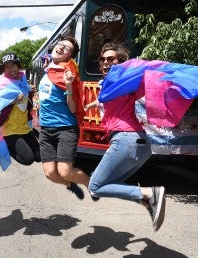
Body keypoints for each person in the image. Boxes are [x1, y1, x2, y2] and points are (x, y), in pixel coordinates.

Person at [87, 43, 166, 231]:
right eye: (103, 59)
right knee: (107, 183)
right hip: (138, 143)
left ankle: (149, 195)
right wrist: (92, 104)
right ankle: (148, 201)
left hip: (127, 139)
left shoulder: (124, 79)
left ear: (122, 62)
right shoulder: (112, 84)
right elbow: (106, 98)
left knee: (96, 187)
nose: (106, 62)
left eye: (111, 59)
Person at [37, 36, 90, 200]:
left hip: (65, 127)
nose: (60, 48)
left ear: (70, 56)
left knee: (64, 171)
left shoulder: (68, 74)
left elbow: (74, 108)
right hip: (45, 129)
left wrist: (68, 86)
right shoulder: (48, 70)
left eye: (66, 48)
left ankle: (90, 184)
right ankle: (71, 185)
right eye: (60, 44)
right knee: (50, 173)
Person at [0, 53, 40, 168]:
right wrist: (13, 101)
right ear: (4, 69)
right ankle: (4, 149)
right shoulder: (1, 85)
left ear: (18, 66)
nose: (11, 69)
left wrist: (30, 92)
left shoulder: (22, 80)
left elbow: (25, 99)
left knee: (39, 157)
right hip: (10, 130)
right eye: (7, 67)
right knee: (28, 160)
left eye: (13, 65)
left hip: (24, 127)